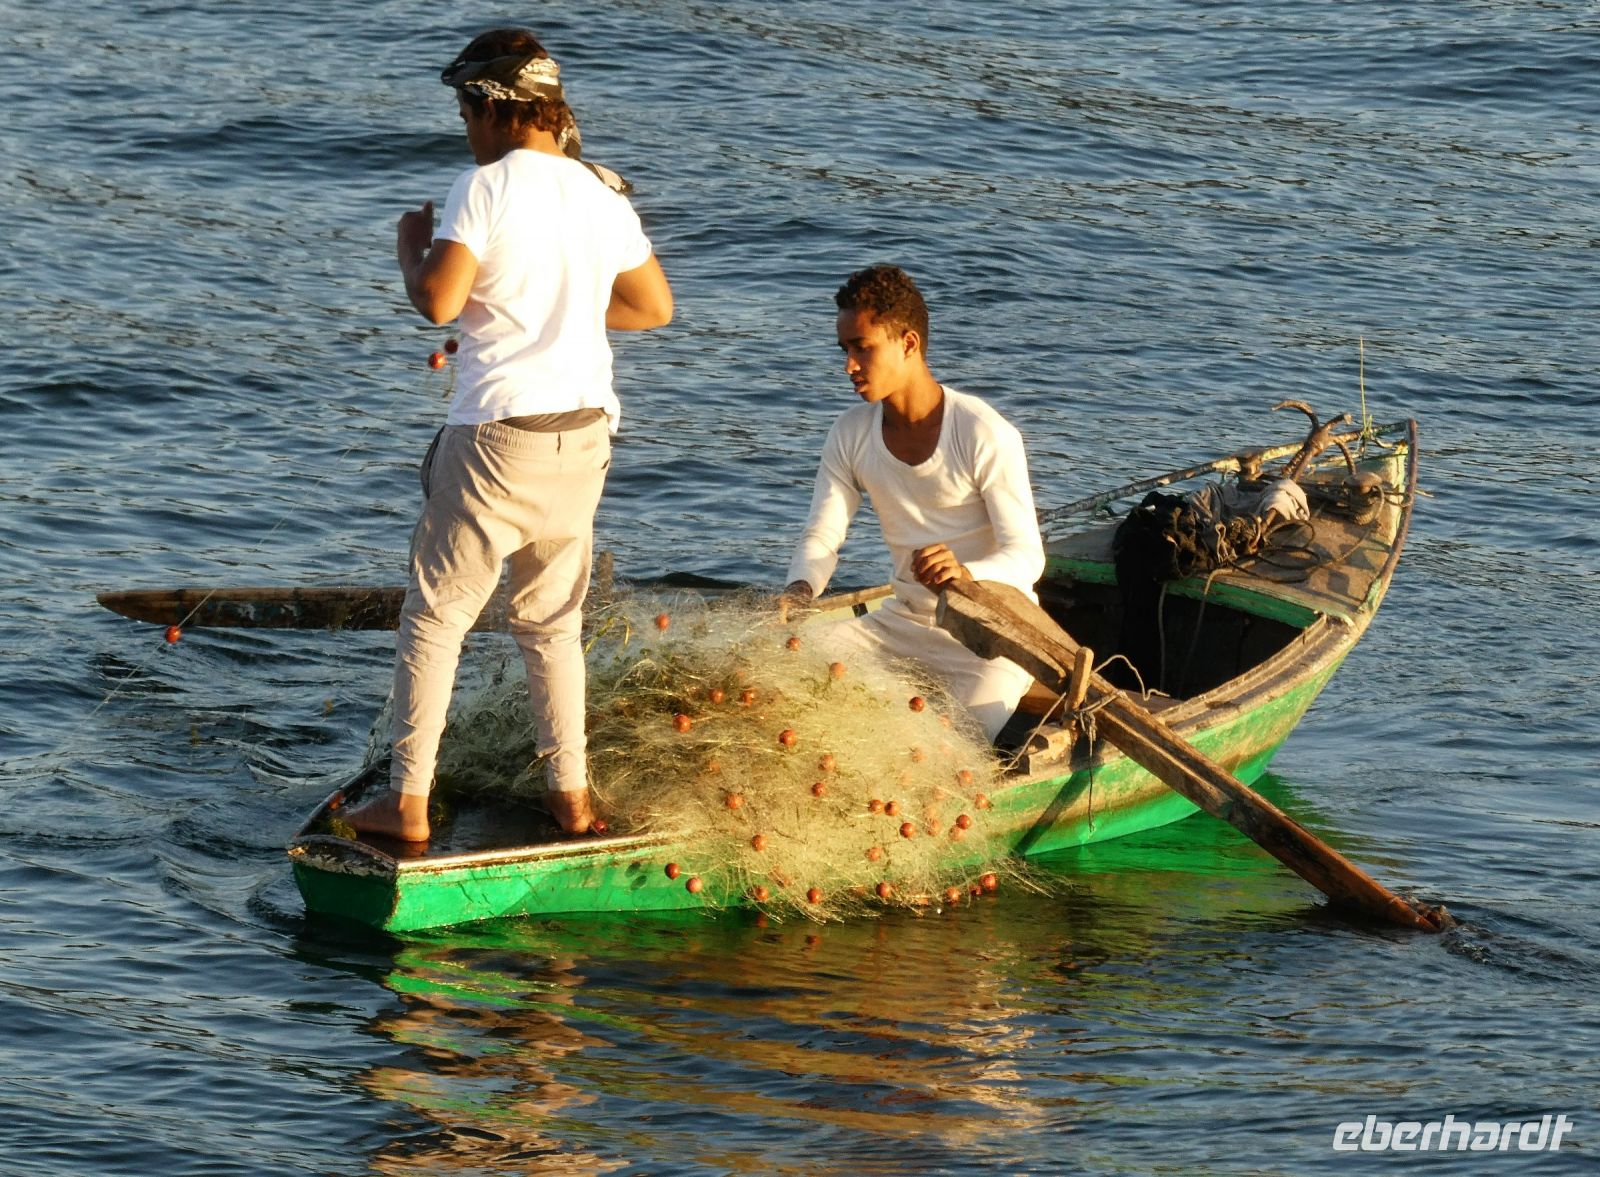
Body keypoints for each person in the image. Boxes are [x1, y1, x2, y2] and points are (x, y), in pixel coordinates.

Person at [347, 27, 673, 843]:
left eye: (466, 108)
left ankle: (407, 802)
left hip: (498, 440)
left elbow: (441, 302)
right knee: (552, 623)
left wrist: (411, 248)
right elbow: (651, 307)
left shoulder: (482, 186)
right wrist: (550, 302)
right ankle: (572, 798)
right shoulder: (602, 194)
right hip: (585, 436)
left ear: (494, 107)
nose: (464, 127)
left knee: (436, 616)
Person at [783, 265, 1044, 741]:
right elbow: (823, 534)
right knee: (780, 664)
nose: (850, 366)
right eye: (845, 350)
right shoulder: (850, 433)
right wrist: (799, 590)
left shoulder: (983, 431)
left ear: (908, 343)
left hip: (991, 640)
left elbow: (1027, 557)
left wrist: (968, 574)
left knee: (944, 751)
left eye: (863, 347)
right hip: (899, 625)